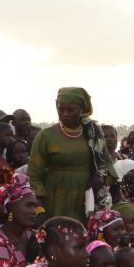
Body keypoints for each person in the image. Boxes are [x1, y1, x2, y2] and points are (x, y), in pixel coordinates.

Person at [29, 87, 113, 220]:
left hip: (87, 199)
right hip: (54, 199)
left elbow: (107, 165)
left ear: (81, 110)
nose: (65, 114)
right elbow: (34, 175)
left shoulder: (93, 134)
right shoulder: (45, 136)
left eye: (71, 110)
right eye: (61, 109)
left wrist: (100, 179)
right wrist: (40, 206)